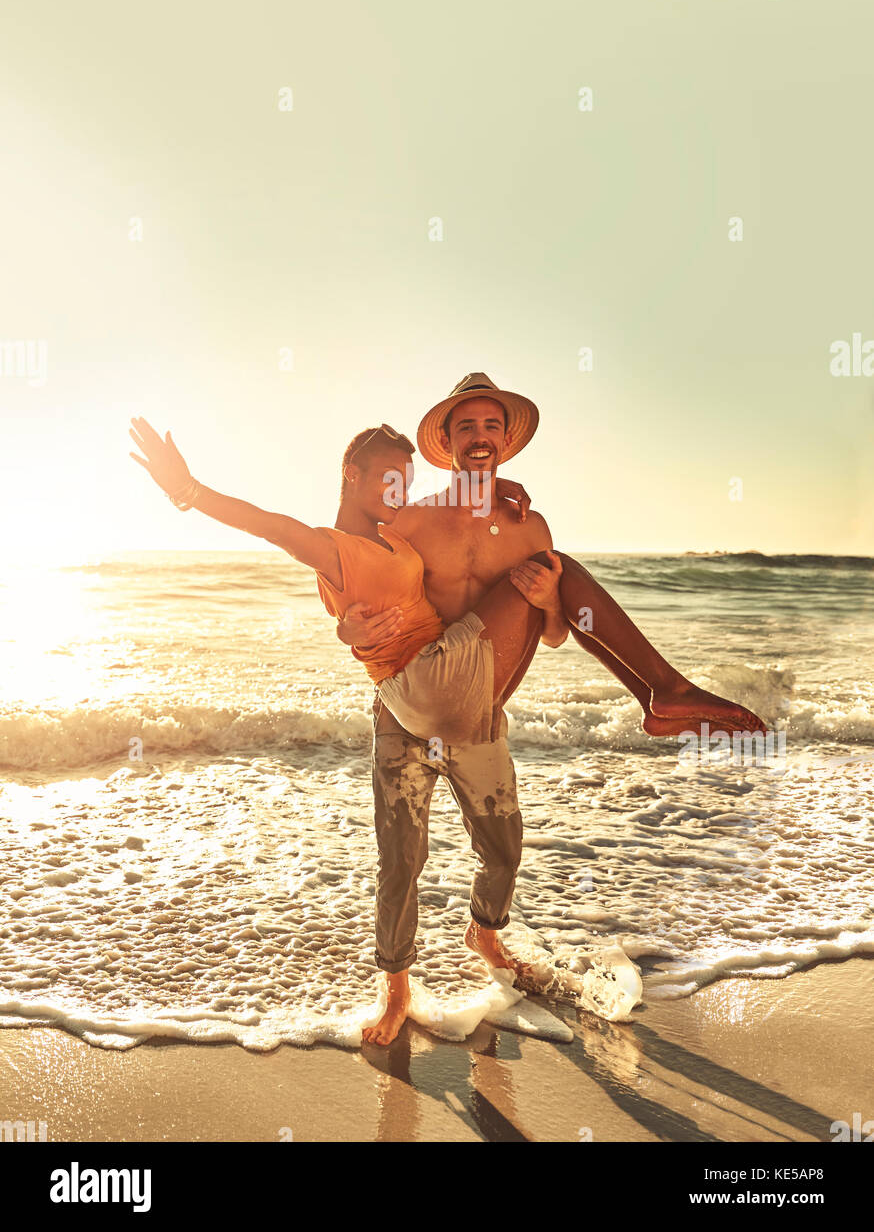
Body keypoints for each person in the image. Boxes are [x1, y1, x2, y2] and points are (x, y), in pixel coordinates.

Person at [129, 390, 765, 1045]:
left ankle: (485, 935)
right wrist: (341, 625)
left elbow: (548, 634)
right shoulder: (410, 524)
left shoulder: (517, 526)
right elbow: (314, 550)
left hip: (475, 701)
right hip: (415, 699)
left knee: (504, 848)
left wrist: (545, 599)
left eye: (493, 426)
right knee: (401, 858)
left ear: (507, 441)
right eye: (468, 427)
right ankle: (396, 989)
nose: (481, 436)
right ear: (450, 442)